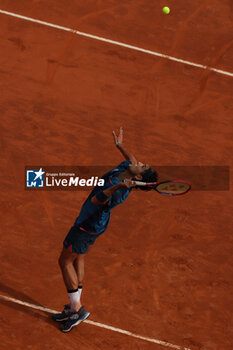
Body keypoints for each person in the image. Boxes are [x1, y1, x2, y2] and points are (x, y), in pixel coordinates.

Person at [52, 127, 158, 332]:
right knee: (79, 257)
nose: (138, 162)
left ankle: (77, 309)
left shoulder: (120, 189)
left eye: (142, 166)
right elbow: (132, 157)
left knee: (65, 261)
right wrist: (120, 146)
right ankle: (74, 306)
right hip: (95, 225)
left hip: (88, 224)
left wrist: (119, 187)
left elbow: (96, 199)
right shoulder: (128, 168)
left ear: (138, 177)